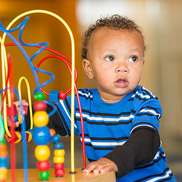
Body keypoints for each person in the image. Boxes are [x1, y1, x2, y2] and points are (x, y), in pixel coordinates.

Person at [15, 15, 176, 181]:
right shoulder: (81, 103)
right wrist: (20, 116)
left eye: (133, 58)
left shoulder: (145, 101)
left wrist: (114, 161)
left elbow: (145, 141)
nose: (123, 67)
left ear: (142, 63)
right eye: (110, 58)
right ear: (89, 68)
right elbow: (50, 117)